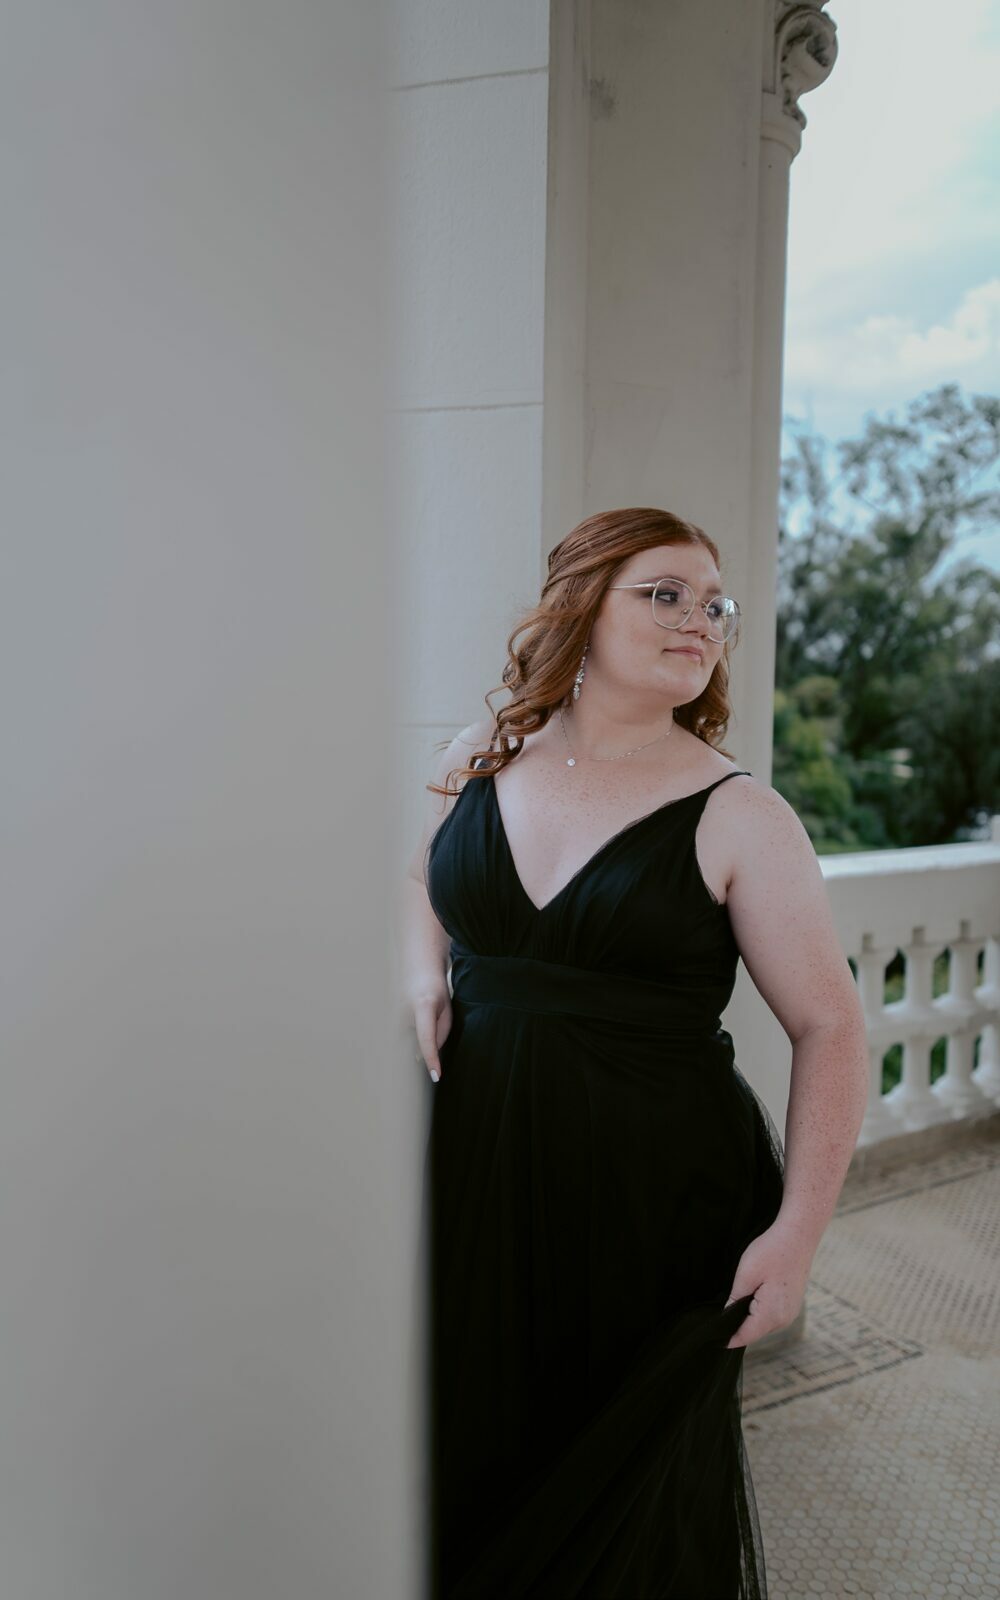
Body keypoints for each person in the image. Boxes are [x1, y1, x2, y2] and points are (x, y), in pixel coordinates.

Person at [401, 508, 870, 1599]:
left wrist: (797, 1235)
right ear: (580, 605)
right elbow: (420, 880)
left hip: (648, 1196)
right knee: (463, 1453)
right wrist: (423, 970)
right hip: (467, 1164)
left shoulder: (741, 815)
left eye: (714, 603)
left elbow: (831, 1026)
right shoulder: (479, 756)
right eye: (664, 593)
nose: (699, 618)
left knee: (622, 1508)